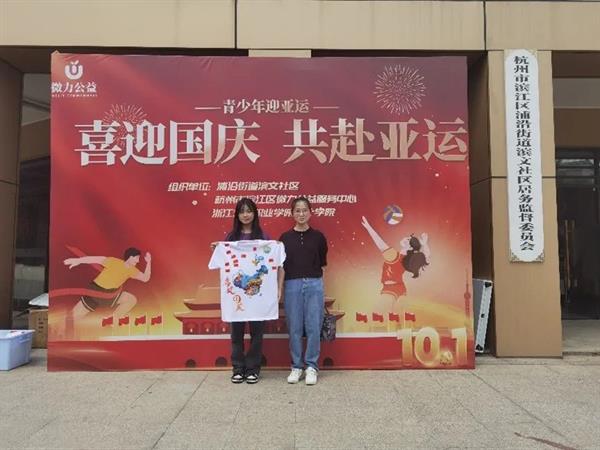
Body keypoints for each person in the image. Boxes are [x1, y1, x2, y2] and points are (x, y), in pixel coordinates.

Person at [211, 197, 279, 384]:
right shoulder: (231, 238)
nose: (246, 215)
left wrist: (277, 247)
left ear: (255, 214)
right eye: (242, 211)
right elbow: (224, 261)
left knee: (257, 333)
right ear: (237, 215)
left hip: (257, 296)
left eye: (249, 211)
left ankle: (253, 369)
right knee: (236, 333)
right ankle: (238, 368)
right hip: (237, 296)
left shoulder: (264, 237)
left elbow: (273, 260)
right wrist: (218, 249)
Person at [279, 196, 328, 386]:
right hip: (292, 285)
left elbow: (322, 265)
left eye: (304, 210)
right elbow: (282, 267)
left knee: (314, 326)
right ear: (292, 213)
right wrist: (279, 288)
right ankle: (296, 366)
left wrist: (320, 287)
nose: (301, 214)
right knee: (295, 327)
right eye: (297, 210)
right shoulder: (284, 238)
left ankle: (311, 366)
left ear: (310, 212)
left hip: (314, 284)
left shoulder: (319, 237)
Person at [63, 248, 151, 338]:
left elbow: (145, 278)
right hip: (96, 292)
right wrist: (78, 261)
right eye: (137, 258)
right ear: (131, 257)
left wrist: (149, 262)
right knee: (72, 317)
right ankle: (65, 336)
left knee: (131, 299)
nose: (138, 261)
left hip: (111, 295)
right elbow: (95, 259)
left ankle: (114, 319)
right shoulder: (114, 262)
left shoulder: (132, 270)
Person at [361, 215, 430, 327]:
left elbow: (380, 244)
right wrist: (425, 244)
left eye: (408, 239)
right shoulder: (406, 259)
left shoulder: (395, 256)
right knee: (395, 318)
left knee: (386, 317)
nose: (405, 238)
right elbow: (426, 257)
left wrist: (369, 228)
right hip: (398, 289)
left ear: (409, 246)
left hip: (391, 289)